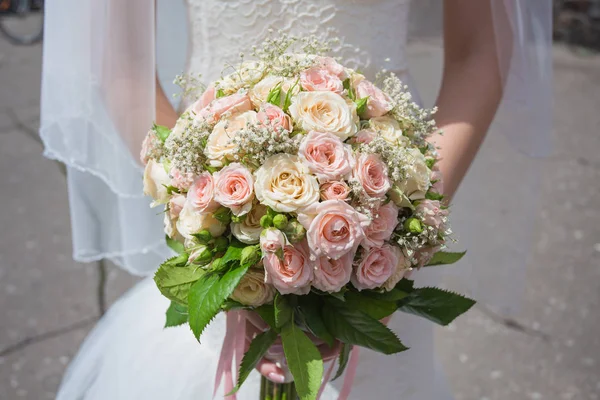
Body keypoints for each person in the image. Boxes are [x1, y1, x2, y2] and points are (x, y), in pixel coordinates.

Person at [40, 1, 552, 399]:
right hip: (213, 189)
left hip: (381, 191)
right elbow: (122, 61)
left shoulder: (390, 221)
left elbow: (480, 53)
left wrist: (398, 230)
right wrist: (211, 233)